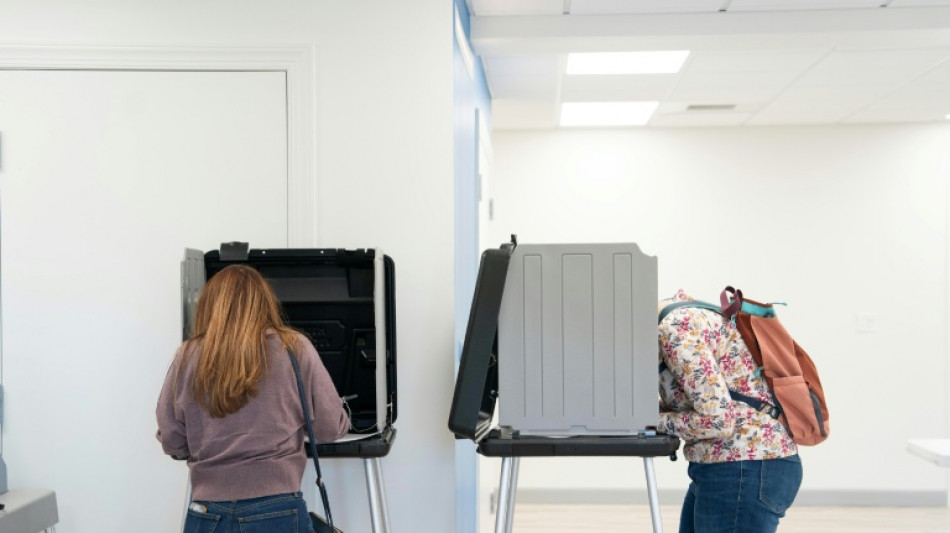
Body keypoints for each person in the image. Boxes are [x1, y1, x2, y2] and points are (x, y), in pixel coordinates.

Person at [156, 264, 349, 532]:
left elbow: (172, 441)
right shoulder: (293, 348)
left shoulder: (187, 356)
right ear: (264, 302)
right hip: (278, 510)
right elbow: (330, 428)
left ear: (210, 305)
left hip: (207, 513)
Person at [658, 289, 802, 533]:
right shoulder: (685, 312)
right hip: (736, 467)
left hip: (743, 467)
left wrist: (653, 421)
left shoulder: (675, 329)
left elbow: (717, 420)